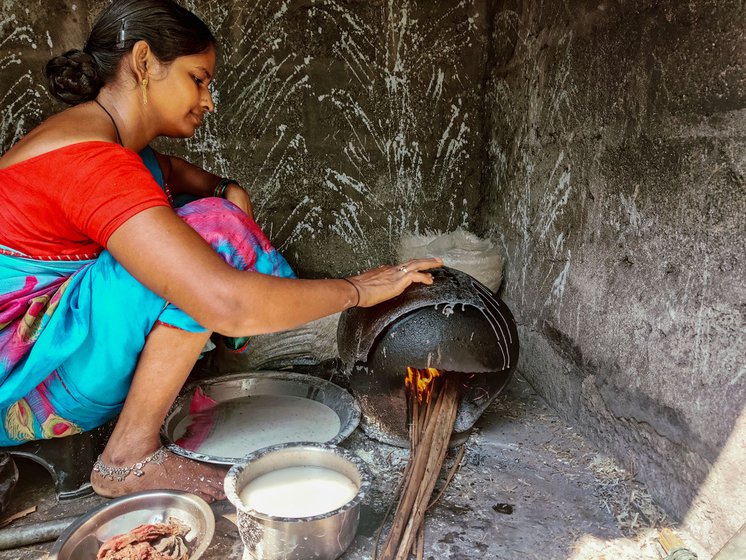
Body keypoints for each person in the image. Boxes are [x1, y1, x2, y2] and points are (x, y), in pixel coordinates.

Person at [0, 0, 441, 503]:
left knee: (211, 218)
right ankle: (128, 459)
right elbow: (227, 300)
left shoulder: (99, 141)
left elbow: (177, 175)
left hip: (45, 356)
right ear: (143, 63)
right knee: (213, 235)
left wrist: (229, 188)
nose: (208, 100)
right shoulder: (92, 162)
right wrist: (357, 290)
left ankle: (199, 375)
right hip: (20, 382)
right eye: (198, 78)